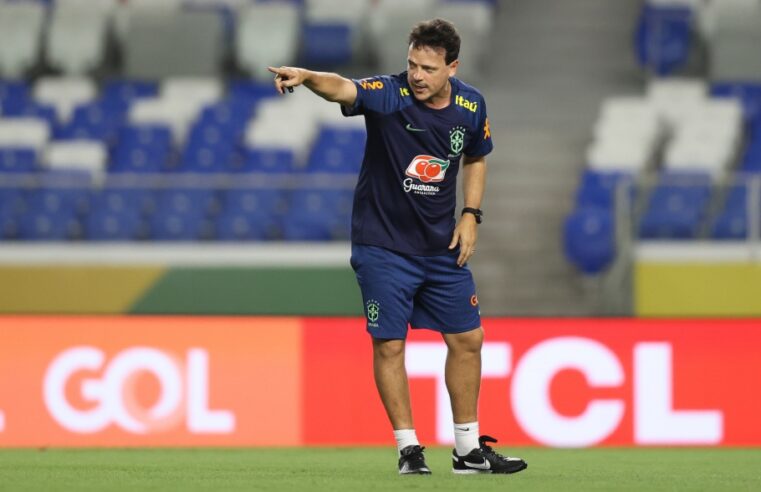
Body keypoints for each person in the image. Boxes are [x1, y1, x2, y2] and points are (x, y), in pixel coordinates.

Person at [269, 18, 527, 476]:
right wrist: (309, 78)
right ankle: (409, 448)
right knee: (389, 345)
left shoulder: (471, 104)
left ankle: (467, 451)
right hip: (382, 246)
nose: (417, 75)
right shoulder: (389, 94)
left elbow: (476, 157)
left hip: (439, 247)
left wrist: (471, 214)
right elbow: (343, 89)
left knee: (468, 339)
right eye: (412, 64)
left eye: (428, 67)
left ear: (452, 67)